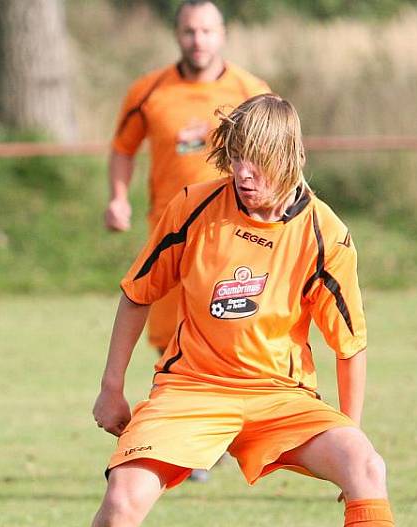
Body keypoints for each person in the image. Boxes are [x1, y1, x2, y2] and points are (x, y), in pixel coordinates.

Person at [80, 94, 417, 527]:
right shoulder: (194, 205)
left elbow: (349, 344)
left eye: (257, 161)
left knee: (367, 467)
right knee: (119, 505)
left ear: (288, 158)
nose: (243, 173)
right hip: (193, 388)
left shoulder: (324, 232)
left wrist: (350, 429)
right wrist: (112, 387)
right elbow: (139, 292)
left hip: (280, 397)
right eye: (237, 157)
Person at [105, 0, 270, 482]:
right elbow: (122, 148)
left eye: (206, 30)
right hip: (171, 232)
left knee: (229, 325)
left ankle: (224, 431)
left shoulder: (250, 91)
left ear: (223, 33)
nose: (198, 40)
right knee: (169, 337)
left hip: (236, 235)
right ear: (177, 34)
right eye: (189, 31)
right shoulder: (150, 90)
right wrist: (118, 198)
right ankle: (191, 434)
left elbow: (278, 149)